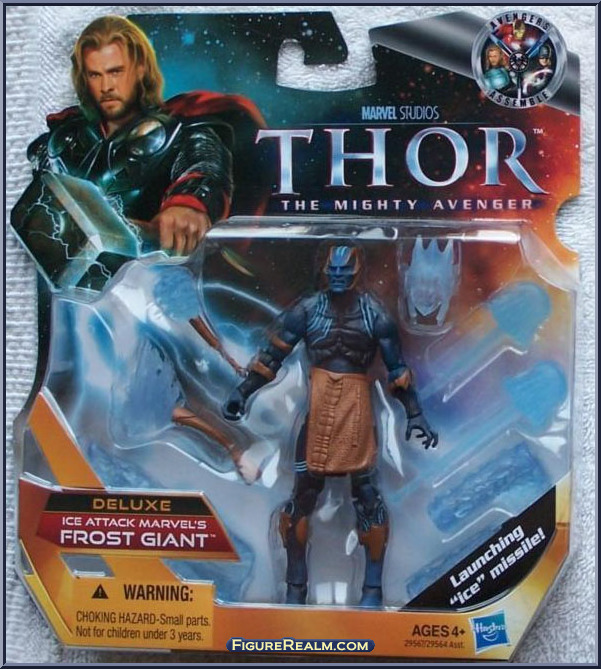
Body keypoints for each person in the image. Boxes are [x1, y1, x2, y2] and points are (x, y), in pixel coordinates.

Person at [222, 244, 438, 607]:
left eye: (344, 271)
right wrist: (243, 393)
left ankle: (372, 590)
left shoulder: (374, 316)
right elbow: (273, 357)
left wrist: (414, 413)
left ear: (356, 272)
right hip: (319, 404)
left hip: (357, 407)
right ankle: (295, 588)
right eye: (332, 270)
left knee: (367, 496)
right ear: (325, 271)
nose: (338, 276)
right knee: (303, 495)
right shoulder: (307, 311)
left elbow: (397, 371)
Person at [25, 15, 264, 256]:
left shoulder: (177, 130)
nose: (106, 87)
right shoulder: (66, 137)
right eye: (95, 75)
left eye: (116, 72)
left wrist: (188, 205)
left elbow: (204, 165)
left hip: (151, 269)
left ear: (140, 69)